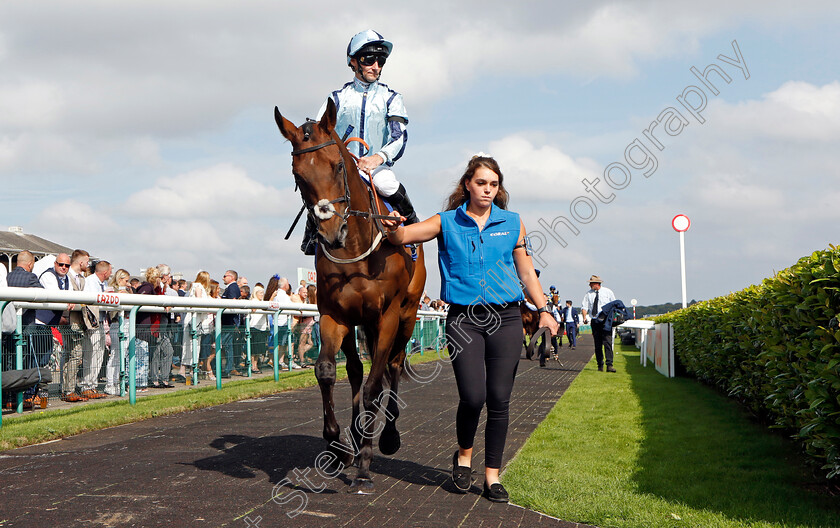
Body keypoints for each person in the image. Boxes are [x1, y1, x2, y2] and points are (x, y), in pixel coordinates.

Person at [383, 154, 558, 503]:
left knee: (499, 399)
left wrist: (544, 310)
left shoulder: (513, 223)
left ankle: (492, 476)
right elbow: (402, 235)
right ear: (467, 184)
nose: (488, 190)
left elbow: (526, 272)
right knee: (473, 396)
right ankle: (464, 455)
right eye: (481, 183)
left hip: (507, 317)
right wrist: (392, 225)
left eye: (494, 184)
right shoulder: (445, 222)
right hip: (465, 320)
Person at [301, 29, 417, 255]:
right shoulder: (336, 98)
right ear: (354, 62)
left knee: (389, 186)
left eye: (380, 60)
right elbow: (317, 134)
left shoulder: (391, 98)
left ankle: (412, 227)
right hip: (341, 168)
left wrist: (378, 158)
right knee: (319, 192)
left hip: (376, 168)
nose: (376, 66)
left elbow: (399, 136)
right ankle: (312, 237)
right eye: (369, 59)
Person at [81, 260, 112, 399]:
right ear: (105, 272)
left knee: (99, 355)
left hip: (101, 321)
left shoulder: (104, 284)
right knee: (90, 353)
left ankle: (92, 385)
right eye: (110, 271)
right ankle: (86, 385)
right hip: (91, 323)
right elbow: (90, 303)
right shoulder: (90, 282)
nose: (111, 274)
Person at [581, 275, 617, 372]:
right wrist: (584, 317)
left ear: (597, 283)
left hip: (606, 320)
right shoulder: (588, 294)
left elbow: (614, 305)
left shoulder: (608, 292)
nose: (589, 285)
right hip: (595, 320)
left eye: (591, 283)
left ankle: (609, 365)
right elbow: (584, 307)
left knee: (608, 342)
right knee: (597, 344)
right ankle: (600, 365)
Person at [104, 268, 131, 395]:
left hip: (126, 323)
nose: (128, 283)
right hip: (116, 324)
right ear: (120, 279)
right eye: (126, 280)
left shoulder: (128, 290)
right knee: (115, 354)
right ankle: (110, 383)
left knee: (122, 355)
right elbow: (110, 310)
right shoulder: (111, 290)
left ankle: (119, 382)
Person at [220, 270, 241, 377]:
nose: (223, 278)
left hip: (228, 322)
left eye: (225, 276)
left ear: (231, 277)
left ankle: (223, 368)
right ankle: (228, 368)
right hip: (229, 321)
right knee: (228, 346)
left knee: (221, 344)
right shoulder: (232, 287)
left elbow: (232, 302)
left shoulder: (232, 287)